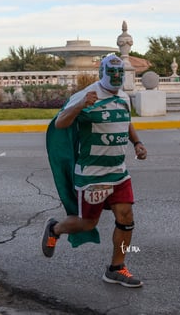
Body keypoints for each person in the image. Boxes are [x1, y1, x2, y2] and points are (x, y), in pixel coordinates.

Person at [41, 54, 147, 288]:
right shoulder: (86, 95)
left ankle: (116, 268)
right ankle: (55, 228)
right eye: (113, 74)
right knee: (88, 223)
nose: (117, 78)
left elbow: (125, 121)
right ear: (102, 73)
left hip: (119, 172)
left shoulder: (123, 96)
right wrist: (80, 106)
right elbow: (60, 123)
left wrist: (137, 143)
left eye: (121, 75)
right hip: (92, 174)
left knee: (126, 217)